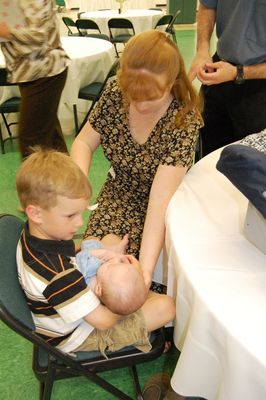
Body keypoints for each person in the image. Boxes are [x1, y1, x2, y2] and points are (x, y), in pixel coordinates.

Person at [71, 30, 203, 291]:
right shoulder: (114, 92)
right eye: (133, 95)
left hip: (162, 206)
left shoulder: (183, 121)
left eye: (151, 97)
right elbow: (83, 142)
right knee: (93, 268)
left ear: (172, 83)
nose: (140, 105)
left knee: (129, 283)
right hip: (119, 193)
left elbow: (159, 202)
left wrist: (144, 268)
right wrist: (77, 187)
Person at [15, 148, 176, 357]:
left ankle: (132, 295)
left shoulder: (36, 233)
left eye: (81, 213)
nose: (80, 223)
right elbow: (104, 321)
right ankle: (136, 320)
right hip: (79, 334)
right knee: (167, 306)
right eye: (71, 216)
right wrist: (126, 295)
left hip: (71, 303)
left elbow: (70, 254)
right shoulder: (58, 275)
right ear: (35, 213)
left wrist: (100, 252)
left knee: (103, 240)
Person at [188, 1, 266, 157]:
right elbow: (207, 5)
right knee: (208, 153)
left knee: (249, 163)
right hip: (220, 70)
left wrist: (238, 73)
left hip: (259, 86)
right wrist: (202, 49)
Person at [0, 0, 69, 159]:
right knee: (51, 141)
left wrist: (6, 32)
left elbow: (38, 37)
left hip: (44, 72)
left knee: (31, 144)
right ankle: (69, 182)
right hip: (31, 73)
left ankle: (35, 184)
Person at [76, 237, 147, 315]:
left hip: (80, 260)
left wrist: (106, 253)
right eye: (119, 264)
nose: (115, 261)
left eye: (109, 266)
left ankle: (114, 249)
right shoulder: (107, 295)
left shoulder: (90, 269)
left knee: (92, 239)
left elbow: (80, 256)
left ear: (98, 289)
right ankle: (116, 250)